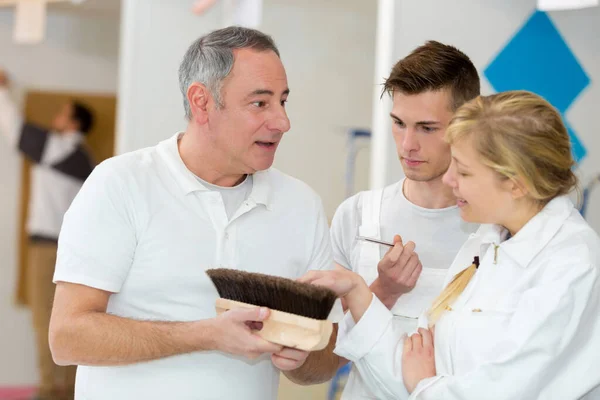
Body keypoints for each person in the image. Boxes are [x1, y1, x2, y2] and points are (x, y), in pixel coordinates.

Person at [48, 27, 340, 400]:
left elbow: (326, 360)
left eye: (283, 101)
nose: (282, 122)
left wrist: (301, 355)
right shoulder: (120, 184)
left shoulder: (302, 205)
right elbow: (67, 337)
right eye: (260, 103)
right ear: (201, 102)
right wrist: (206, 335)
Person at [303, 90, 600, 399]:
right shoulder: (486, 244)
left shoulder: (572, 266)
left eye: (464, 171)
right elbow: (415, 365)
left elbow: (496, 391)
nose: (449, 180)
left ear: (515, 182)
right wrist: (359, 294)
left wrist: (424, 386)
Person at [329, 41, 480, 398]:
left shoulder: (494, 231)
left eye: (427, 128)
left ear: (467, 125)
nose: (407, 144)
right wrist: (383, 292)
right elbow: (324, 354)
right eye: (399, 123)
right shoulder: (357, 217)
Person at [0, 70, 95, 400]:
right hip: (74, 251)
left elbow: (13, 128)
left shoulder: (57, 149)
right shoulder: (86, 160)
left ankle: (50, 391)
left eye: (63, 112)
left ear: (73, 124)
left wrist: (2, 91)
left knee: (45, 321)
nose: (56, 117)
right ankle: (69, 390)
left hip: (47, 248)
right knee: (73, 321)